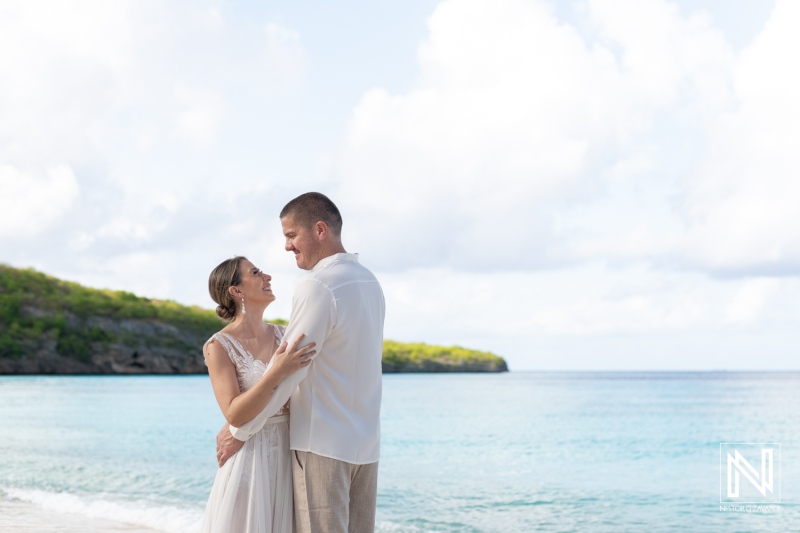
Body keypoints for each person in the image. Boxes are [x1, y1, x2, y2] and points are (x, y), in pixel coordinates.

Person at [217, 192, 386, 533]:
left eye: (291, 235)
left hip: (321, 445)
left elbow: (290, 369)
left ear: (320, 230)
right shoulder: (370, 282)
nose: (287, 246)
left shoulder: (319, 286)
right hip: (366, 446)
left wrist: (240, 430)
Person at [201, 256, 316, 533]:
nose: (268, 277)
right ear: (236, 291)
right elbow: (234, 414)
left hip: (292, 449)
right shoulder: (219, 346)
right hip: (250, 457)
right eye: (256, 273)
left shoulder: (286, 335)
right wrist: (275, 372)